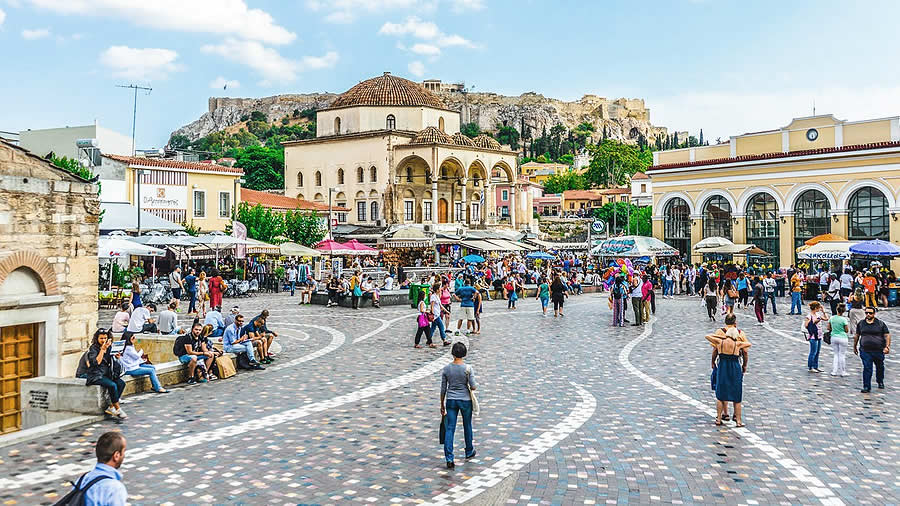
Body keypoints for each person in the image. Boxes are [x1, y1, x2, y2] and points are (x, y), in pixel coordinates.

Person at [706, 323, 751, 427]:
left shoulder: (720, 342)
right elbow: (749, 344)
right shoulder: (738, 344)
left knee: (721, 394)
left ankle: (718, 418)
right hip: (735, 368)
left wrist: (722, 337)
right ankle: (738, 421)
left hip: (723, 367)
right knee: (737, 395)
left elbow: (708, 336)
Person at [441, 342, 477, 468]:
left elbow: (443, 389)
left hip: (451, 400)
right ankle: (469, 451)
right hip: (465, 400)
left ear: (452, 353)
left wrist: (442, 405)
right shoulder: (468, 369)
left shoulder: (446, 369)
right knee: (467, 425)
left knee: (450, 428)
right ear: (464, 353)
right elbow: (473, 386)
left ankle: (449, 458)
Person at [70, 431, 128, 506]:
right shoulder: (115, 488)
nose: (124, 456)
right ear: (116, 456)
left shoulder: (82, 479)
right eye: (123, 452)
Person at [85, 329, 127, 418]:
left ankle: (111, 406)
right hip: (96, 375)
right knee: (112, 385)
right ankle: (117, 408)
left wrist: (117, 357)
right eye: (101, 338)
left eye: (105, 338)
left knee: (121, 383)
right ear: (97, 339)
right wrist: (102, 350)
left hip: (107, 373)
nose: (103, 340)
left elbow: (111, 361)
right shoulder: (93, 349)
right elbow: (96, 362)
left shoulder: (109, 347)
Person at [854, 306, 891, 393]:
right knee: (867, 368)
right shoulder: (861, 323)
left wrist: (887, 346)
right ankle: (866, 386)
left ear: (874, 314)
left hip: (878, 350)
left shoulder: (880, 324)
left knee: (880, 366)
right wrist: (854, 346)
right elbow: (857, 335)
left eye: (870, 313)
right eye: (866, 313)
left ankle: (880, 380)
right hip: (865, 350)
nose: (868, 314)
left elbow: (887, 335)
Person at [827, 303, 850, 377]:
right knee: (842, 355)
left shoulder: (832, 318)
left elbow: (828, 328)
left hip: (834, 337)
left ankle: (834, 371)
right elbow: (846, 330)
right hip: (843, 337)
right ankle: (843, 371)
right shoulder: (844, 319)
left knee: (836, 354)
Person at [804, 301, 827, 373]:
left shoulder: (818, 314)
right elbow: (806, 325)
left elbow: (826, 319)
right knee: (813, 351)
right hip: (813, 336)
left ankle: (815, 366)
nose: (820, 309)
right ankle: (810, 367)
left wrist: (824, 312)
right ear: (815, 308)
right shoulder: (809, 316)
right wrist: (815, 322)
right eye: (819, 308)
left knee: (817, 352)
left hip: (819, 335)